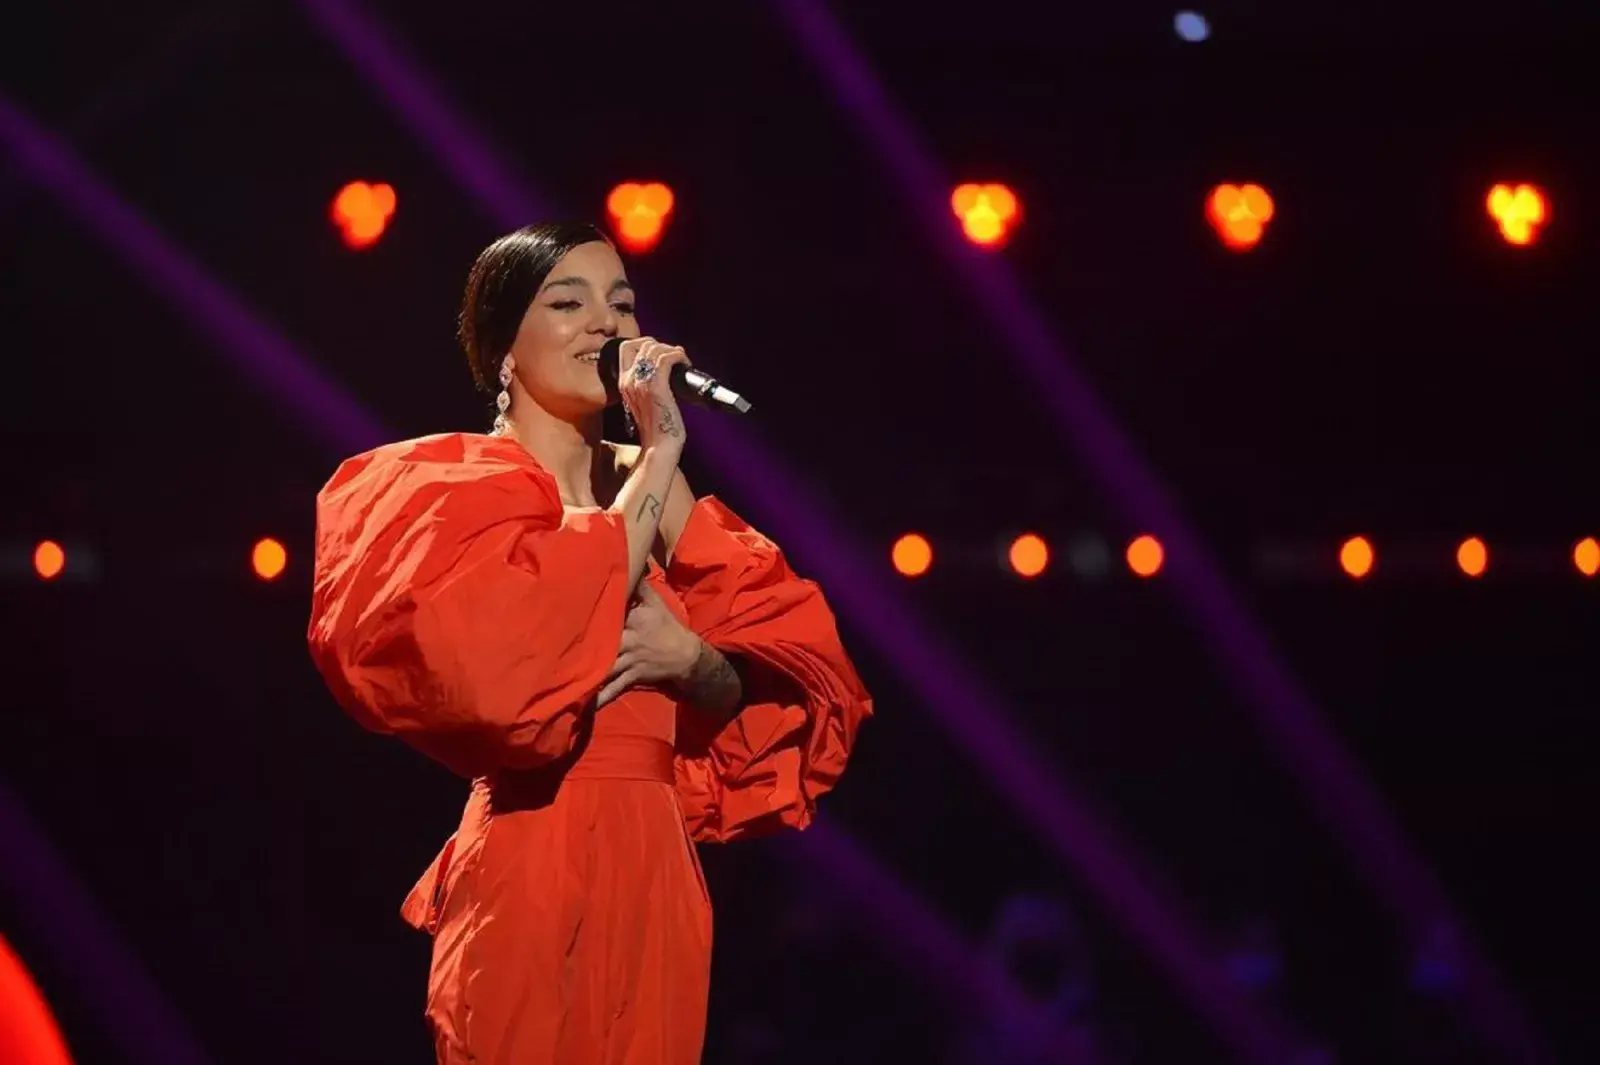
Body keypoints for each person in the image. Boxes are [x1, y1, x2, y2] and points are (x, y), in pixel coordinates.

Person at [306, 222, 872, 1064]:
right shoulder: (449, 488)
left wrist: (697, 664)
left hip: (654, 864)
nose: (605, 324)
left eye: (622, 303)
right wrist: (663, 452)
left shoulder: (650, 483)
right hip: (537, 851)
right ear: (503, 350)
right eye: (567, 302)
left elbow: (796, 673)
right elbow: (504, 677)